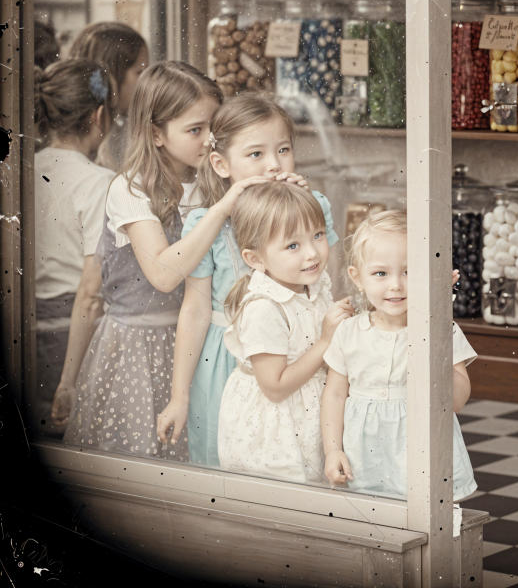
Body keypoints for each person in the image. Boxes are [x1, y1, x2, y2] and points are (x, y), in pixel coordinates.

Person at [156, 94, 334, 467]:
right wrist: (179, 396)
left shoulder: (313, 202)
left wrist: (301, 208)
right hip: (226, 362)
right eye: (256, 154)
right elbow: (195, 310)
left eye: (283, 149)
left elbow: (328, 282)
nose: (274, 164)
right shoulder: (208, 223)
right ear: (221, 164)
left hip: (301, 353)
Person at [62, 61, 222, 458]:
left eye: (215, 127)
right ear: (155, 134)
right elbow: (163, 275)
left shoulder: (212, 184)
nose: (209, 140)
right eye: (195, 130)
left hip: (198, 344)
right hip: (137, 349)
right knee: (140, 457)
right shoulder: (130, 189)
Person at [322, 210, 479, 500]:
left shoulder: (442, 331)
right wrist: (332, 450)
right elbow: (333, 395)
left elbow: (457, 400)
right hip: (364, 460)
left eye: (410, 272)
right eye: (381, 273)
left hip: (423, 454)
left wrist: (434, 319)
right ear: (358, 278)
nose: (396, 284)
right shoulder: (348, 332)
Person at [219, 182, 351, 484]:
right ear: (256, 259)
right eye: (293, 245)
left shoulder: (314, 284)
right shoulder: (264, 308)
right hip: (275, 427)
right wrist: (327, 341)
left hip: (311, 415)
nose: (312, 253)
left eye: (318, 235)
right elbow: (275, 387)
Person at [33, 60, 116, 434]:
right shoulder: (100, 182)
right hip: (73, 334)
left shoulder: (22, 169)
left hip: (27, 322)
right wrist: (69, 380)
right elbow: (90, 290)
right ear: (99, 116)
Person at [68, 22, 149, 172]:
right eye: (140, 72)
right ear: (111, 75)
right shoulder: (87, 143)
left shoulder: (126, 129)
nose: (147, 81)